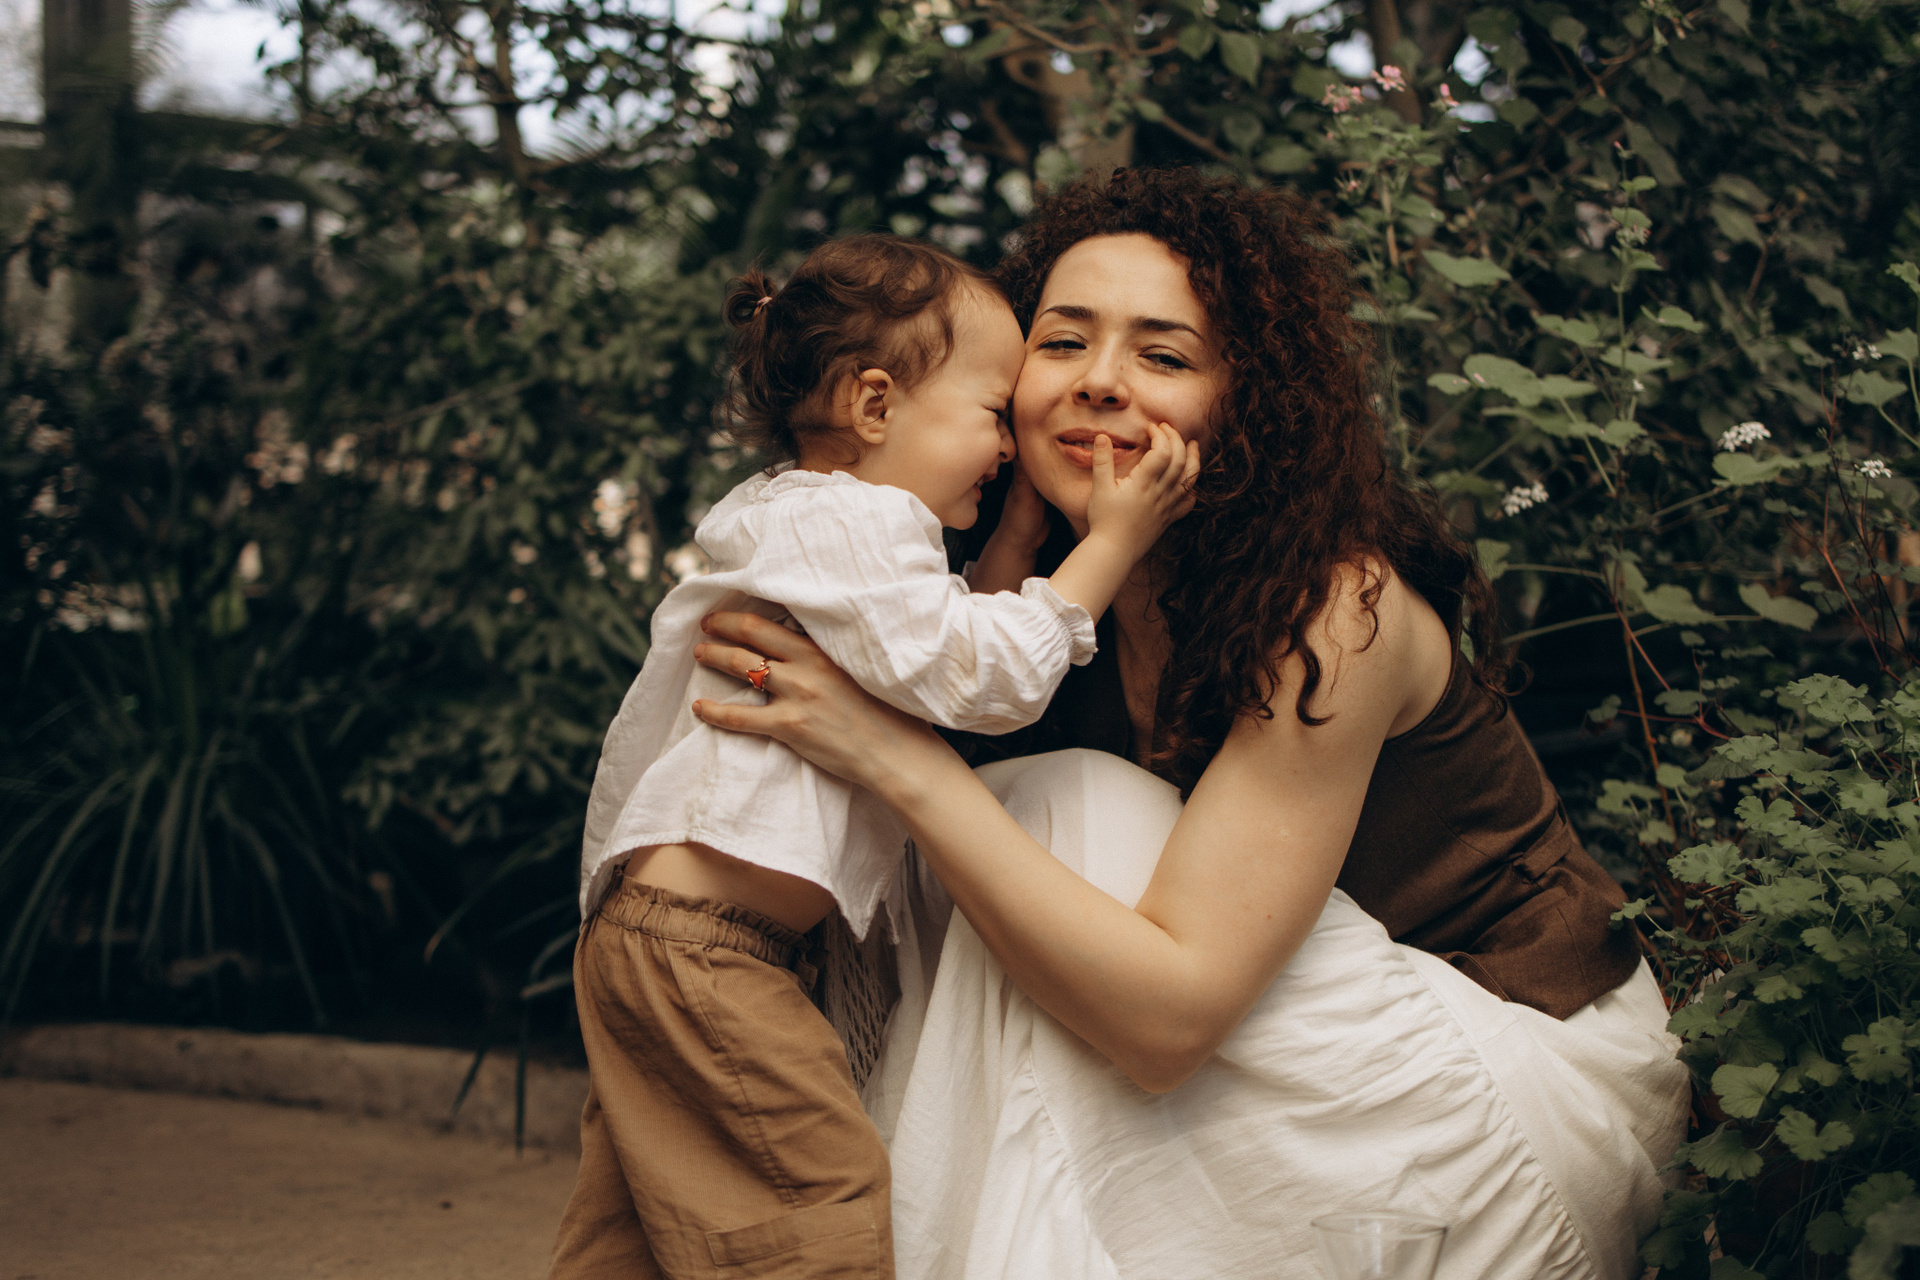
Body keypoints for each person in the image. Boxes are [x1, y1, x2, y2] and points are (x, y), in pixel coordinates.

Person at [683, 170, 1692, 1280]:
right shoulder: (1020, 602)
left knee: (1064, 805)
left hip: (1510, 1081)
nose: (1099, 382)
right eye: (1063, 343)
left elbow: (1168, 1019)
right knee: (1008, 847)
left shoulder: (1332, 608)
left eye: (1163, 357)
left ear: (1246, 402)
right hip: (1276, 1054)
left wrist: (892, 756)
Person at [549, 233, 1198, 1280]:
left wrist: (1013, 550)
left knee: (638, 1236)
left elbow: (926, 654)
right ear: (875, 405)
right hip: (713, 951)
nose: (1006, 446)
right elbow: (978, 677)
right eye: (991, 412)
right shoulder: (849, 519)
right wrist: (1110, 543)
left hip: (670, 935)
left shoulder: (812, 519)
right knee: (820, 1207)